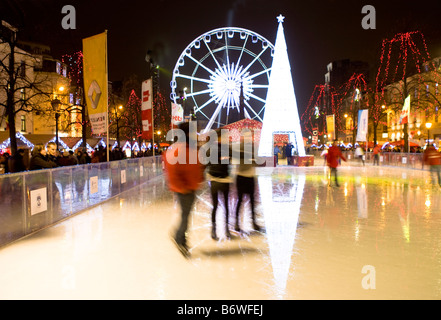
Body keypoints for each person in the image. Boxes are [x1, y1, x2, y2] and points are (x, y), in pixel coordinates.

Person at [163, 122, 205, 258]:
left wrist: (198, 179)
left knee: (186, 216)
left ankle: (179, 237)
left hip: (190, 187)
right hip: (185, 189)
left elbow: (196, 165)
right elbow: (173, 171)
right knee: (185, 216)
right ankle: (180, 239)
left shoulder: (189, 148)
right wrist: (182, 187)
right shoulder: (179, 149)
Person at [206, 130, 232, 240]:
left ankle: (226, 228)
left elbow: (229, 160)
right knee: (216, 205)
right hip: (215, 179)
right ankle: (214, 229)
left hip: (225, 179)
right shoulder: (211, 149)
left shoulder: (227, 148)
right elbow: (207, 162)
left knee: (226, 205)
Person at [234, 140, 261, 233]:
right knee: (240, 200)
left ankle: (254, 222)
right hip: (241, 177)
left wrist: (255, 160)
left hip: (250, 177)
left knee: (252, 201)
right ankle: (237, 223)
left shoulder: (253, 148)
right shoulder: (240, 149)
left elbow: (258, 162)